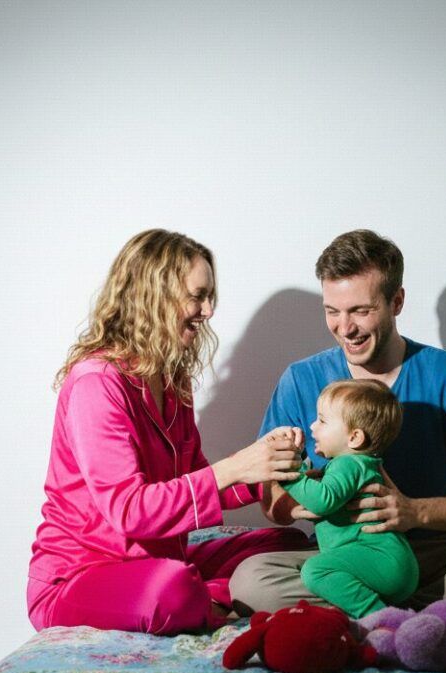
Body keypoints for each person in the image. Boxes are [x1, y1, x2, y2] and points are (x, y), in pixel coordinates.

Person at [230, 229, 446, 619]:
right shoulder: (301, 378)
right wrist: (308, 503)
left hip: (438, 553)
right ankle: (408, 612)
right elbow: (272, 503)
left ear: (396, 301)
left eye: (361, 310)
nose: (345, 328)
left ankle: (370, 610)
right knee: (249, 580)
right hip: (343, 554)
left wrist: (412, 512)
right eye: (332, 311)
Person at [28, 229, 312, 635]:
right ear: (155, 296)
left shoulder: (171, 377)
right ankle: (201, 596)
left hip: (159, 559)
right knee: (174, 590)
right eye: (198, 296)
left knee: (286, 544)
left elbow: (192, 479)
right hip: (81, 574)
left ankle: (205, 593)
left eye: (211, 296)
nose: (209, 310)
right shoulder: (97, 383)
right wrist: (235, 466)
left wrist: (266, 470)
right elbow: (129, 511)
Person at [281, 378, 416, 618]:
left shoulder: (349, 464)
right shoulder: (354, 464)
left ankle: (379, 618)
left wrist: (290, 476)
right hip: (383, 562)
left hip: (380, 560)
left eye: (322, 421)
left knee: (315, 571)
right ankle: (382, 608)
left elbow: (323, 500)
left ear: (354, 438)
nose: (312, 426)